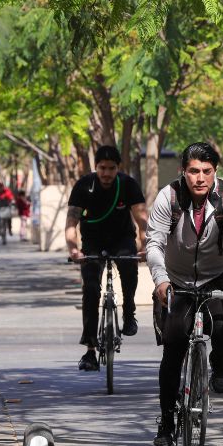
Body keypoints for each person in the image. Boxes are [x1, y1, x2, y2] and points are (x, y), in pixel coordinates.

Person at [146, 142, 223, 446]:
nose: (200, 178)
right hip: (176, 279)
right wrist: (160, 280)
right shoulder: (168, 198)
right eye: (193, 171)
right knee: (173, 352)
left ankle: (219, 362)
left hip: (216, 275)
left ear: (215, 172)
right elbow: (154, 243)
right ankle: (167, 424)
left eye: (206, 172)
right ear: (183, 171)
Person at [66, 145, 148, 372]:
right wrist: (74, 250)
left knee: (129, 266)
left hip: (122, 239)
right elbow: (71, 222)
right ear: (96, 167)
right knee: (91, 289)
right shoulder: (84, 186)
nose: (106, 173)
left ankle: (129, 312)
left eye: (111, 168)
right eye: (102, 168)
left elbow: (142, 220)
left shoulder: (128, 185)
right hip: (92, 242)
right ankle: (90, 350)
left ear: (118, 168)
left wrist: (145, 247)